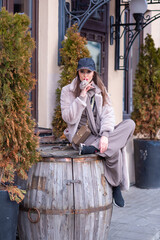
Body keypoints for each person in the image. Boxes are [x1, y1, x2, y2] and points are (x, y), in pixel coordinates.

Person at [60, 57, 135, 207]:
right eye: (82, 72)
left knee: (130, 124)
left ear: (93, 73)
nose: (85, 75)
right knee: (114, 151)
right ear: (78, 73)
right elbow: (68, 117)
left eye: (88, 72)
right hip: (81, 136)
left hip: (98, 134)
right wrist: (81, 97)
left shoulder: (101, 90)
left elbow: (108, 115)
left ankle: (94, 149)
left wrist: (106, 136)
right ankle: (116, 186)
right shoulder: (67, 91)